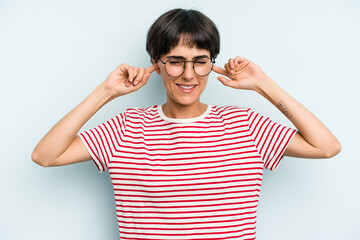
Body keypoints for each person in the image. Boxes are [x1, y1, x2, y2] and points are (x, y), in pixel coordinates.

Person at [32, 8, 341, 240]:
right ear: (157, 63)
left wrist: (264, 85)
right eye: (176, 61)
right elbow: (45, 156)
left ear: (211, 63)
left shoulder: (246, 125)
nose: (189, 75)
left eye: (200, 61)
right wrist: (106, 92)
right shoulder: (126, 128)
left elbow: (326, 146)